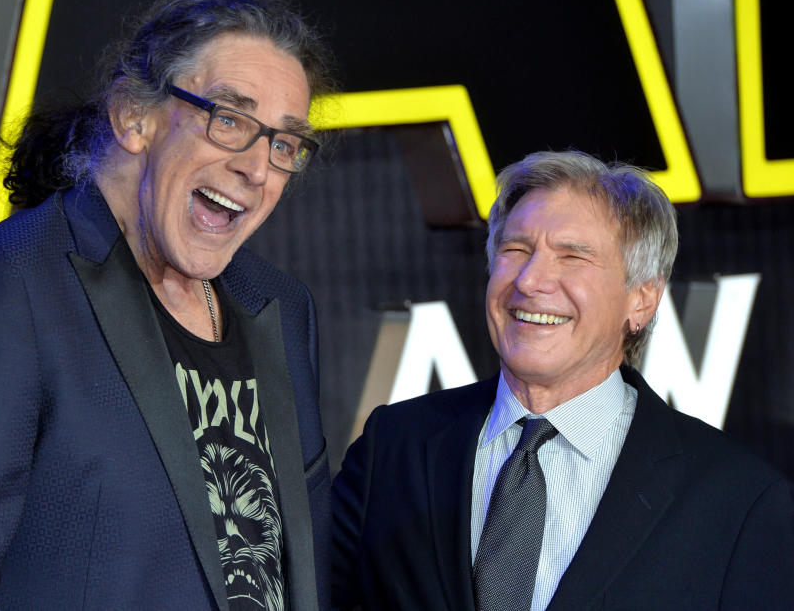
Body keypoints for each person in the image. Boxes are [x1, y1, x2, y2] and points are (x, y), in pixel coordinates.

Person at [0, 0, 335, 610]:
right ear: (134, 116)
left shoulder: (280, 306)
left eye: (283, 142)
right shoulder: (9, 283)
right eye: (229, 119)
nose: (257, 166)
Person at [332, 150, 794, 610]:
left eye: (573, 256)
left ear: (642, 299)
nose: (531, 280)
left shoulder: (739, 499)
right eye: (516, 250)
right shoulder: (391, 448)